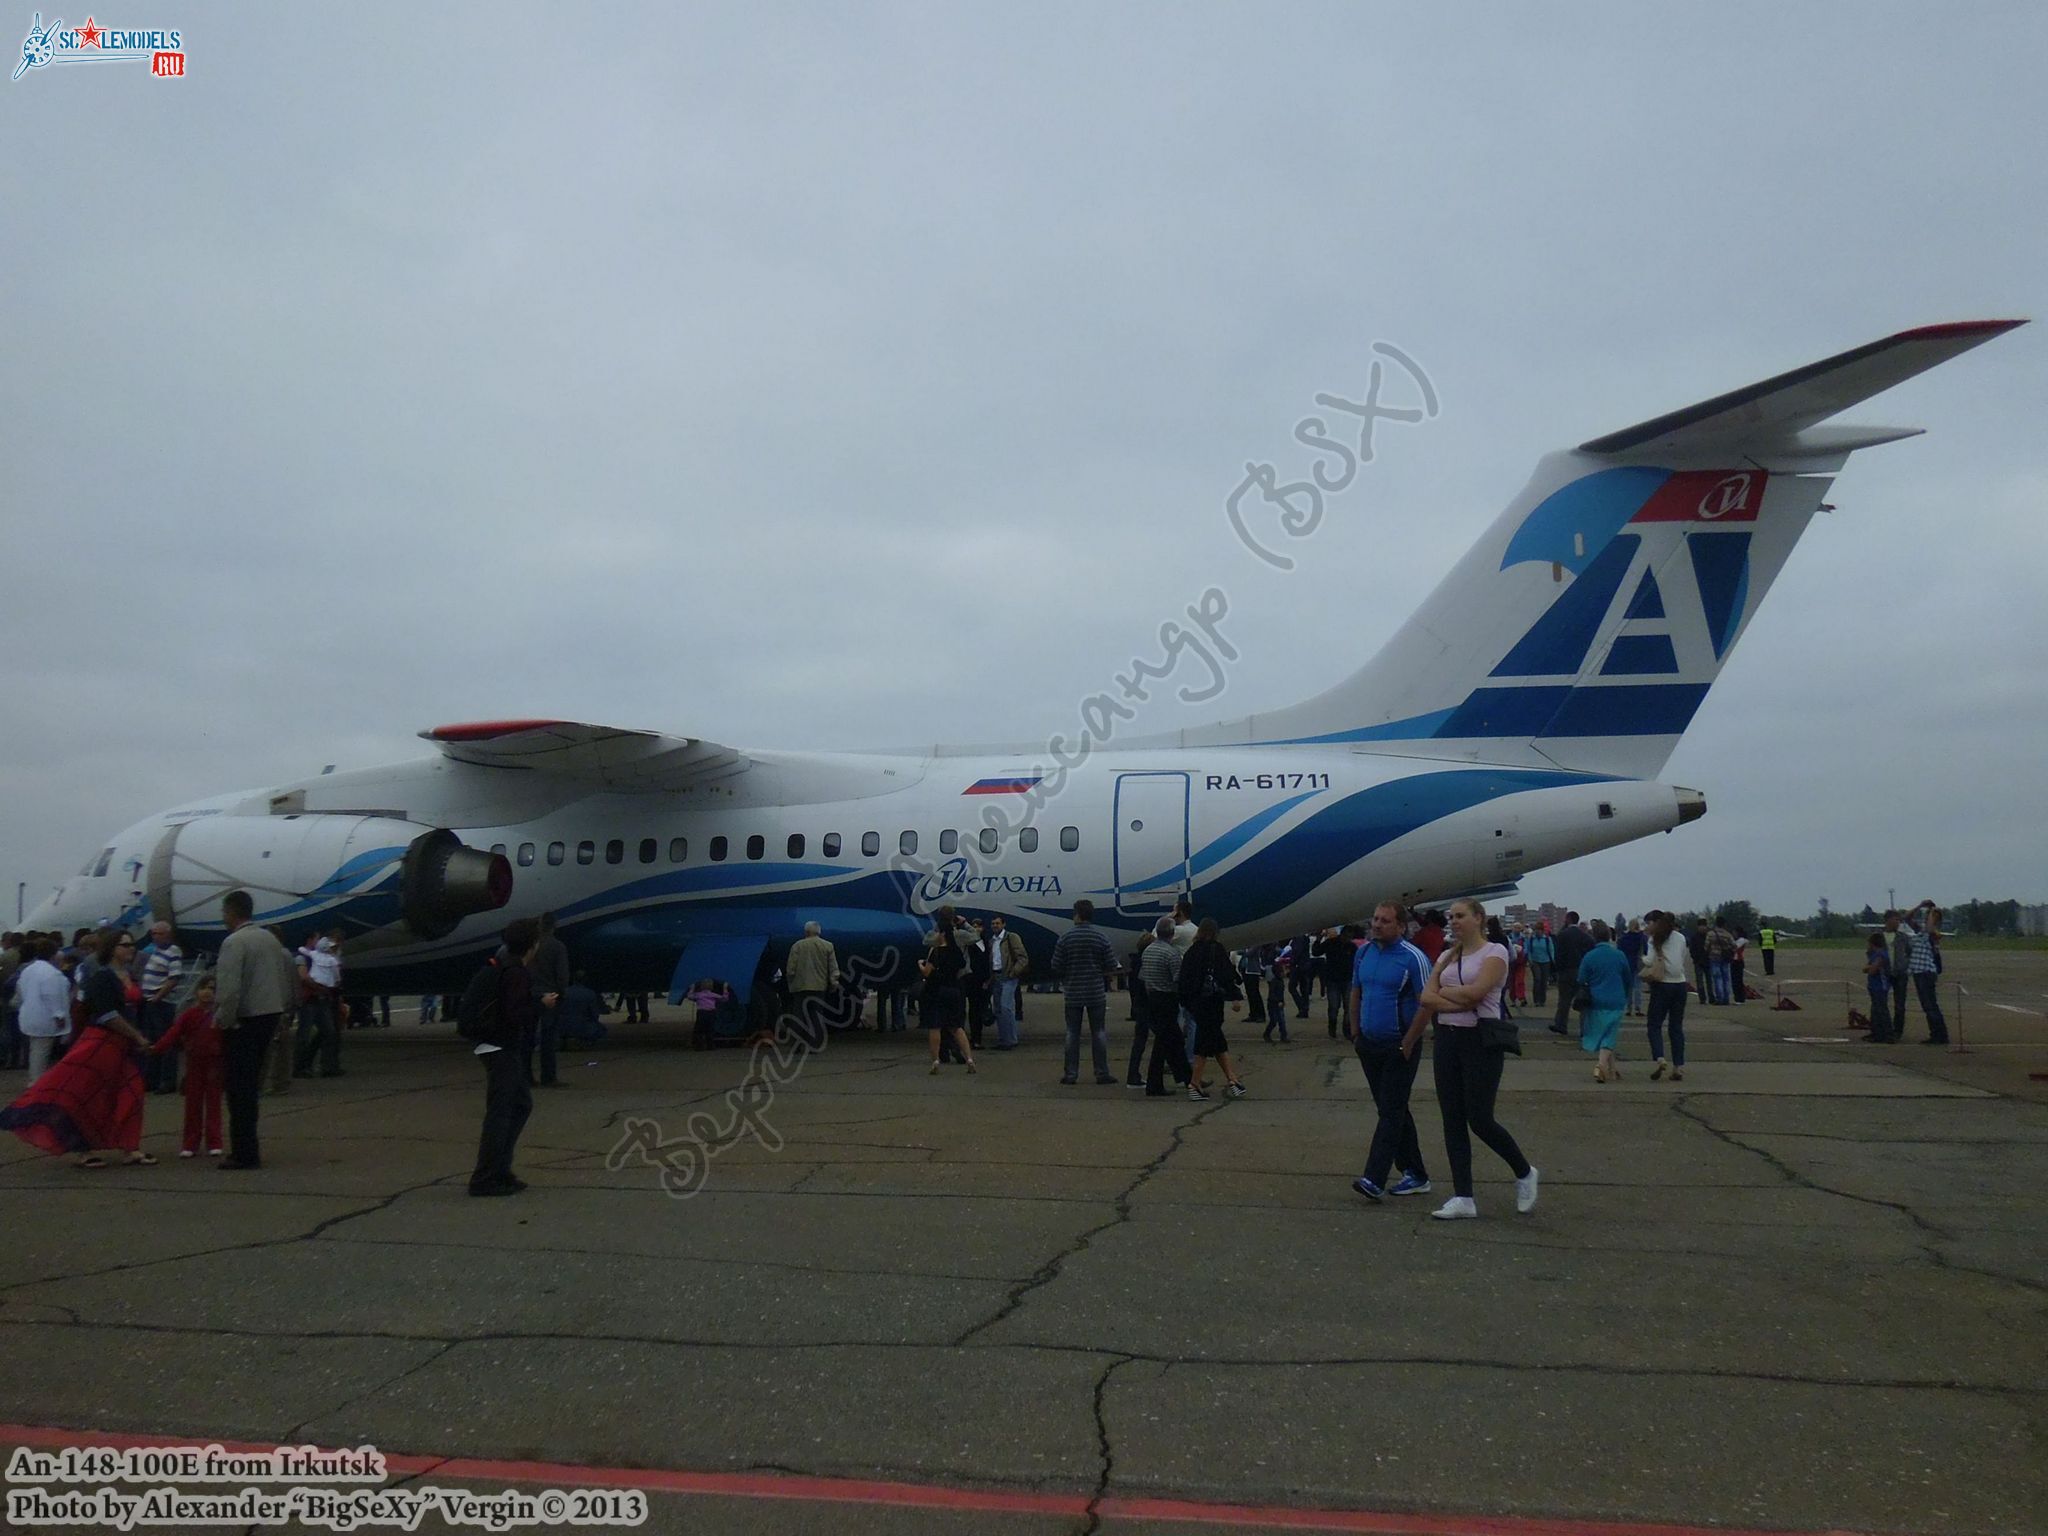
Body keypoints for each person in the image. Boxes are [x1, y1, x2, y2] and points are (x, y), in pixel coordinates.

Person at [1403, 898, 1536, 1220]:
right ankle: (1464, 1196)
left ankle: (1524, 1171)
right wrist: (1454, 999)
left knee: (1480, 1118)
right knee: (1452, 1119)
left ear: (1479, 918)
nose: (1454, 921)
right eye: (1451, 917)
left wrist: (1447, 995)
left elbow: (1476, 994)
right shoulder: (1448, 955)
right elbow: (1425, 996)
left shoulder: (1496, 953)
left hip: (1480, 1040)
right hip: (1448, 1038)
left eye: (1460, 916)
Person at [0, 929, 154, 1168]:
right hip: (102, 1042)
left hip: (124, 1045)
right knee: (85, 1092)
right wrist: (137, 1036)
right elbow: (106, 1014)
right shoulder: (102, 976)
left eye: (132, 944)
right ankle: (83, 1148)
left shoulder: (128, 975)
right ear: (112, 948)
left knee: (131, 1094)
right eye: (125, 944)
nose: (131, 948)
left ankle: (130, 1147)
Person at [1346, 902, 1432, 1201]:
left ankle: (1374, 1177)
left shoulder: (1413, 958)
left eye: (1385, 921)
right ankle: (1416, 1173)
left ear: (1400, 926)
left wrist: (1408, 1043)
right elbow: (1356, 991)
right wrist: (1354, 1032)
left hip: (1399, 1046)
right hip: (1368, 1044)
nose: (1377, 925)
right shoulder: (1364, 953)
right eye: (1375, 919)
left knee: (1391, 1111)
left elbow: (1427, 1003)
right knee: (1391, 1110)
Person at [212, 892, 299, 1169]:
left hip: (245, 1019)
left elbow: (228, 989)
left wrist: (224, 1020)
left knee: (239, 1090)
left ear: (231, 912)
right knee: (252, 1085)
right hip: (270, 1015)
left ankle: (244, 1152)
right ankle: (248, 1148)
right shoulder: (270, 940)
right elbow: (284, 978)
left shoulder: (234, 942)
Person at [470, 917, 543, 1196]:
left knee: (521, 1105)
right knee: (501, 1113)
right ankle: (485, 1177)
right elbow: (515, 1015)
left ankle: (501, 1169)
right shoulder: (516, 972)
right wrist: (540, 1006)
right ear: (532, 944)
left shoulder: (506, 966)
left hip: (496, 1046)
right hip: (500, 1047)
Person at [1049, 900, 1121, 1085]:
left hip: (1073, 991)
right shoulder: (1100, 937)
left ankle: (1071, 1074)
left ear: (1077, 914)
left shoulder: (1066, 938)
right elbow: (1112, 964)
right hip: (1095, 992)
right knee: (1098, 1032)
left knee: (1072, 1033)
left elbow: (1056, 965)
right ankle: (1102, 1072)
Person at [151, 975, 223, 1157]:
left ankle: (214, 1141)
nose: (207, 992)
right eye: (204, 988)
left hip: (215, 1063)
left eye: (212, 989)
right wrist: (156, 1048)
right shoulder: (189, 1015)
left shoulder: (221, 1015)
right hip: (194, 1062)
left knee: (214, 1104)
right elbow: (173, 1034)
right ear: (197, 991)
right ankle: (190, 1143)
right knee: (193, 1104)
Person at [1180, 918, 1246, 1100]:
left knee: (1215, 1041)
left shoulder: (1192, 952)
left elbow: (1184, 979)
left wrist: (1187, 1003)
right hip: (1212, 1003)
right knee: (1205, 1043)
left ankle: (1233, 1080)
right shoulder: (1216, 949)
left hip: (1197, 1004)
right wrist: (1235, 996)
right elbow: (1226, 975)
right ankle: (1194, 1084)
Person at [1138, 918, 1192, 1097]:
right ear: (1172, 933)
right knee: (1164, 1043)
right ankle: (1155, 1084)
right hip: (1167, 999)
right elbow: (1178, 979)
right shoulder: (1171, 953)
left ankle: (1187, 1078)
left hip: (1153, 998)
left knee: (1174, 1040)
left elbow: (1143, 977)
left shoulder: (1148, 951)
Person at [919, 912, 977, 1074]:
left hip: (937, 990)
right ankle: (970, 1059)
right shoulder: (957, 950)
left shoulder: (935, 951)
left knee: (935, 1027)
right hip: (954, 989)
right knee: (957, 1027)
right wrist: (965, 923)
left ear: (941, 933)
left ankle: (935, 1060)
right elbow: (974, 939)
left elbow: (927, 972)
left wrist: (920, 965)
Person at [1576, 921, 1630, 1083]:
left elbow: (1581, 978)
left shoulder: (1589, 956)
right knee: (1610, 1034)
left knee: (1604, 1033)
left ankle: (1611, 1069)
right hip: (1616, 999)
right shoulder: (1619, 955)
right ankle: (1600, 1066)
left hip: (1596, 1000)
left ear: (1594, 937)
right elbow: (1627, 977)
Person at [14, 937, 73, 1081]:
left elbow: (21, 990)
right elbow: (52, 995)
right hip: (45, 1018)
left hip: (29, 1015)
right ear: (53, 954)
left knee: (36, 1051)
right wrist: (59, 1015)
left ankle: (36, 1080)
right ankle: (36, 1083)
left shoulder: (28, 970)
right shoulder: (51, 973)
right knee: (41, 1053)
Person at [1642, 910, 1691, 1080]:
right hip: (1680, 984)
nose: (1647, 926)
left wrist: (1641, 960)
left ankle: (1660, 1057)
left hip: (1662, 985)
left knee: (1654, 1024)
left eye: (1648, 923)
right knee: (1676, 1027)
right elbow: (1682, 957)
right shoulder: (1681, 937)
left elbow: (1649, 961)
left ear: (1656, 922)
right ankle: (1678, 1066)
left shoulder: (1654, 939)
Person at [137, 919, 184, 1095]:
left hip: (162, 1003)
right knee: (152, 1041)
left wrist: (158, 996)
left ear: (168, 935)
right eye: (153, 933)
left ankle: (167, 1080)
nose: (155, 937)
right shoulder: (156, 950)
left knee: (166, 1041)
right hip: (150, 1002)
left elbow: (174, 978)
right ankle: (152, 1079)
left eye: (159, 934)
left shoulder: (173, 952)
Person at [294, 930, 345, 1078]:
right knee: (304, 1034)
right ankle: (300, 1066)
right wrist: (322, 987)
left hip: (321, 1000)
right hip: (309, 1000)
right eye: (317, 939)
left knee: (328, 1032)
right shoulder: (302, 958)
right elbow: (304, 977)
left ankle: (324, 1065)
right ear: (310, 940)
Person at [530, 912, 572, 1086]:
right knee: (549, 1038)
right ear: (554, 927)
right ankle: (548, 1076)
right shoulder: (557, 946)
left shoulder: (531, 946)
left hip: (531, 995)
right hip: (551, 995)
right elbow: (562, 974)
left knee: (528, 1037)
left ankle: (526, 1076)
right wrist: (562, 992)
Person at [785, 921, 841, 1045]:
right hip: (819, 987)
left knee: (798, 1015)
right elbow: (833, 968)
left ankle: (796, 1044)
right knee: (816, 1016)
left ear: (806, 932)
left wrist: (791, 983)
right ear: (819, 932)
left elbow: (790, 969)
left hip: (800, 987)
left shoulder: (797, 946)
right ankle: (815, 1044)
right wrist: (833, 984)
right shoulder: (827, 946)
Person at [1903, 903, 1948, 1045]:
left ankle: (1940, 1035)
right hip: (1918, 971)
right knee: (1927, 1005)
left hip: (1925, 971)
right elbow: (1907, 918)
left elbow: (1930, 927)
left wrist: (1932, 911)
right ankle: (1936, 1033)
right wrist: (1920, 905)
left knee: (1930, 1005)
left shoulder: (1933, 933)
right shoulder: (1921, 932)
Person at [989, 915, 1029, 1049]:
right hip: (996, 976)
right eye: (993, 923)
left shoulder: (1011, 937)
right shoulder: (992, 941)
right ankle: (1003, 1039)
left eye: (997, 923)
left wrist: (1013, 972)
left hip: (1008, 976)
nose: (995, 926)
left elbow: (1022, 957)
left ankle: (1011, 1039)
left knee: (1006, 1007)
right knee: (998, 1009)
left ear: (1004, 924)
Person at [1549, 912, 1588, 1037]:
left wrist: (1557, 970)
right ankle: (1584, 1028)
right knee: (1582, 1000)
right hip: (1580, 970)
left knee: (1564, 1000)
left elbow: (1558, 954)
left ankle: (1561, 1025)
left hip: (1565, 971)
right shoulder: (1584, 936)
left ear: (1568, 919)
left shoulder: (1563, 935)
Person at [558, 970, 612, 1045]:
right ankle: (586, 1041)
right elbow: (595, 1014)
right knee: (602, 1030)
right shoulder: (590, 993)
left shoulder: (563, 992)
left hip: (562, 1026)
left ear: (573, 979)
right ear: (585, 980)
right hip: (582, 1026)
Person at [1863, 933, 1892, 1034]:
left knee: (1881, 1010)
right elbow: (1867, 967)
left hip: (1880, 987)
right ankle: (1876, 1032)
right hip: (1874, 986)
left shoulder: (1881, 955)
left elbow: (1872, 970)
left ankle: (1887, 1033)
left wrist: (1869, 967)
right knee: (1875, 1010)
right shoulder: (1875, 955)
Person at [1618, 918, 1647, 1017]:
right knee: (1638, 987)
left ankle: (1628, 1008)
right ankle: (1638, 1008)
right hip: (1638, 963)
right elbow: (1645, 950)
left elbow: (1619, 950)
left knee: (1628, 987)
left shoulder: (1623, 938)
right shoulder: (1641, 937)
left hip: (1627, 963)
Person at [1525, 925, 1554, 1009]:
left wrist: (1552, 960)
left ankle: (1542, 1000)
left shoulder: (1547, 939)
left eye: (1539, 930)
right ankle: (1536, 1000)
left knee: (1544, 981)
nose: (1537, 932)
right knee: (1537, 979)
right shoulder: (1531, 939)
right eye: (1536, 930)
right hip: (1535, 962)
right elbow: (1529, 950)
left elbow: (1551, 950)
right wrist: (1530, 960)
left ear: (1542, 931)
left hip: (1546, 962)